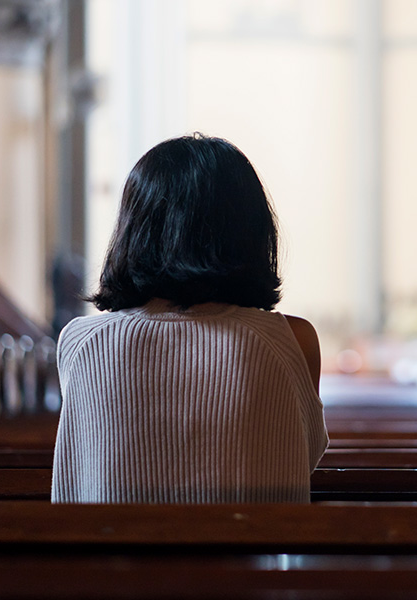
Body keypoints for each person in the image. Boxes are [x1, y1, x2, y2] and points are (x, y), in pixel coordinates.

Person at [51, 134, 327, 503]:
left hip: (110, 560)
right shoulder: (293, 340)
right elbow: (293, 460)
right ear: (251, 232)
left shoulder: (81, 343)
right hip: (253, 557)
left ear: (134, 231)